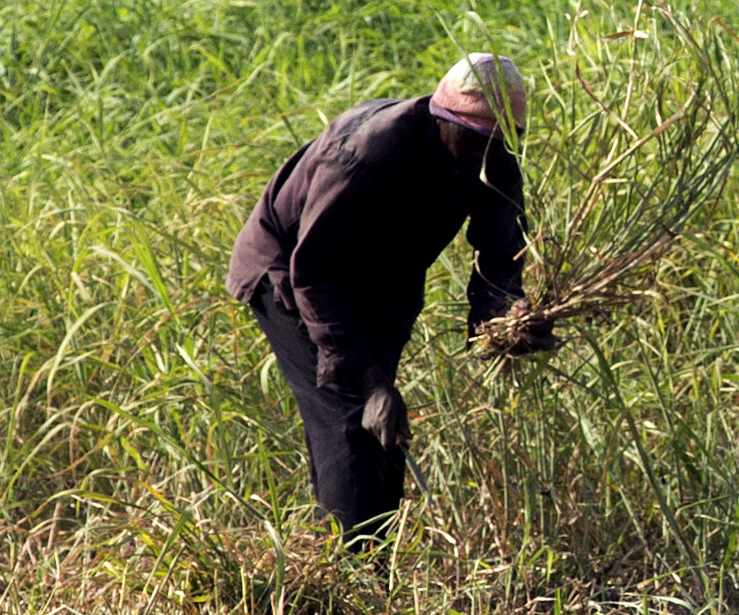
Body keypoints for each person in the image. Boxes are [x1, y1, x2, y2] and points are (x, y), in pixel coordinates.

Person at [225, 53, 530, 542]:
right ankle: (341, 579)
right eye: (474, 140)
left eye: (497, 143)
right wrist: (370, 383)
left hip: (383, 282)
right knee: (350, 420)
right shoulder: (366, 152)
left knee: (381, 434)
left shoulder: (494, 159)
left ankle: (368, 571)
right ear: (443, 118)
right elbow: (315, 269)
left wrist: (507, 317)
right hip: (292, 274)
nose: (483, 155)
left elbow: (500, 253)